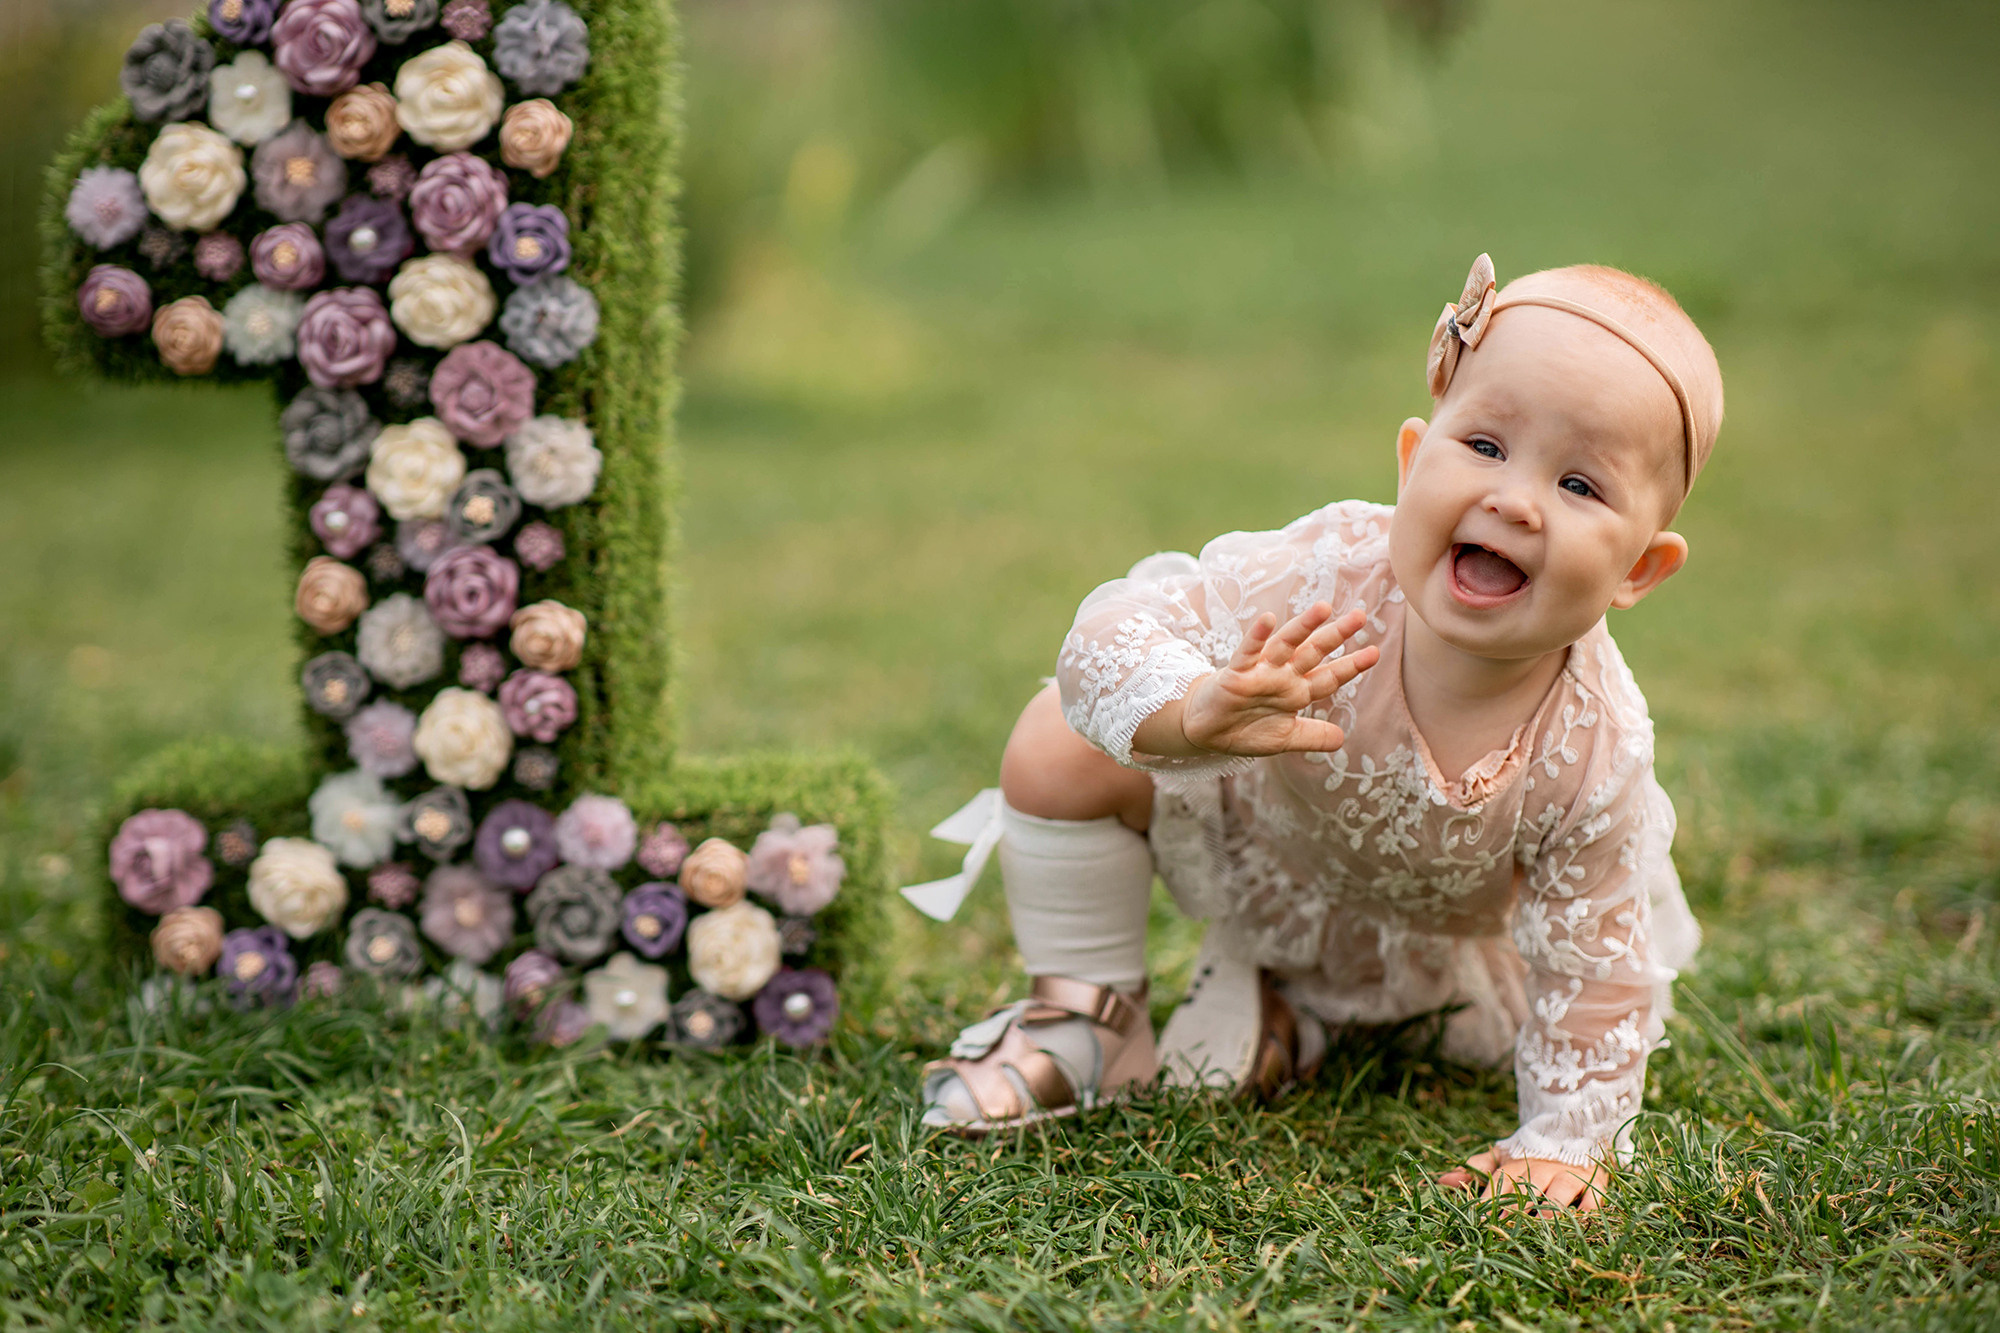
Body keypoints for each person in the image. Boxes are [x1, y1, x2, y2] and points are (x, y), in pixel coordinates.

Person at [914, 254, 1720, 1213]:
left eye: (1581, 484)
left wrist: (1567, 1142)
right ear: (1413, 458)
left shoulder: (1598, 744)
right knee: (1059, 734)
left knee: (1467, 1018)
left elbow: (1594, 965)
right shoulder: (1328, 573)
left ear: (1642, 569)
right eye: (1487, 447)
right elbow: (1108, 635)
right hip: (1270, 840)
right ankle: (1089, 1016)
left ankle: (1296, 1022)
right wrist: (1196, 705)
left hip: (1441, 937)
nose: (1515, 499)